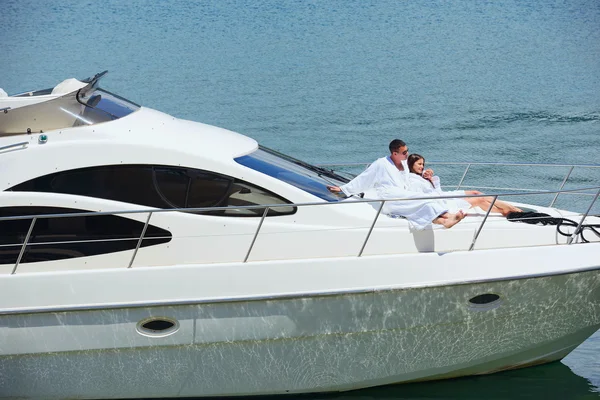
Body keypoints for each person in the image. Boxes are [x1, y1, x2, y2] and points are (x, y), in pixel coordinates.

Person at [327, 139, 465, 229]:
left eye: (407, 151)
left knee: (423, 199)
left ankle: (445, 220)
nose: (407, 154)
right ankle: (447, 218)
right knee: (421, 201)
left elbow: (409, 177)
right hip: (390, 198)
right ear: (394, 153)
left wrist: (424, 175)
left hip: (402, 193)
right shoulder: (381, 163)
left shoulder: (404, 164)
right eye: (404, 152)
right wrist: (343, 189)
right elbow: (364, 178)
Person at [406, 153, 522, 216]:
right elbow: (427, 199)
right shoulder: (414, 181)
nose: (422, 167)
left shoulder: (420, 178)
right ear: (411, 165)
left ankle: (507, 209)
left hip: (444, 197)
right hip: (444, 203)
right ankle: (508, 211)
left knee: (476, 193)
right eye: (419, 164)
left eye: (423, 164)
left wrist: (430, 179)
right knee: (480, 200)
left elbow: (438, 191)